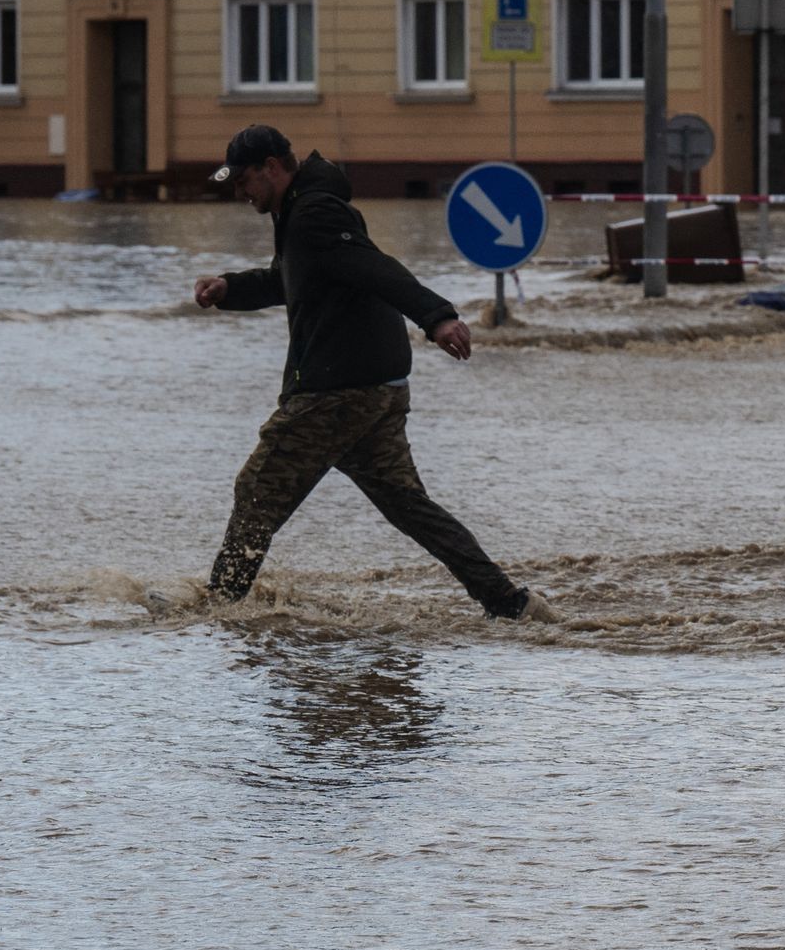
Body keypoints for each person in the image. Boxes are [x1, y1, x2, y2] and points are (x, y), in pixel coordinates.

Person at [192, 123, 539, 621]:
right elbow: (290, 279)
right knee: (408, 506)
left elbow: (376, 268)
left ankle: (219, 606)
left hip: (337, 391)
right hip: (375, 387)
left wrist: (437, 316)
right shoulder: (302, 210)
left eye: (244, 181)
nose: (240, 194)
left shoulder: (313, 212)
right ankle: (509, 602)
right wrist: (230, 287)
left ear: (271, 168)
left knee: (257, 489)